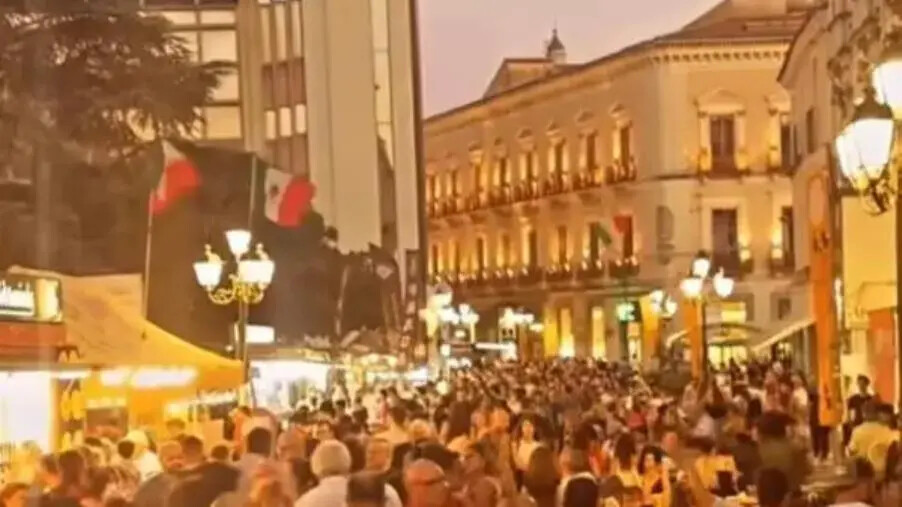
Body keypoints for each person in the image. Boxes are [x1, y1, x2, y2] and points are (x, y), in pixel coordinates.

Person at [848, 400, 899, 479]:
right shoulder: (886, 430)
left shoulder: (857, 431)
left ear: (863, 414)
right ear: (877, 414)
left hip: (863, 471)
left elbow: (852, 450)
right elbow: (895, 446)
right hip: (882, 469)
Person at [132, 440, 184, 507]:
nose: (176, 462)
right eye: (171, 459)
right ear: (161, 461)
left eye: (180, 458)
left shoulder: (195, 483)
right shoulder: (150, 487)